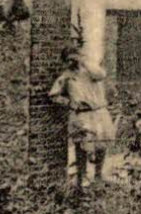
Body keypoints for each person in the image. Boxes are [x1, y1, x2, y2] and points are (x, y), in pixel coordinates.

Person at [48, 50, 117, 191]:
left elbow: (101, 75)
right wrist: (70, 103)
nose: (72, 62)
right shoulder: (67, 77)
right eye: (68, 60)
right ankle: (81, 178)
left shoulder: (91, 72)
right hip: (82, 115)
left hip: (99, 112)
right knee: (82, 146)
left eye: (74, 58)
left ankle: (98, 175)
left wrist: (84, 61)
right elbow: (53, 95)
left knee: (101, 144)